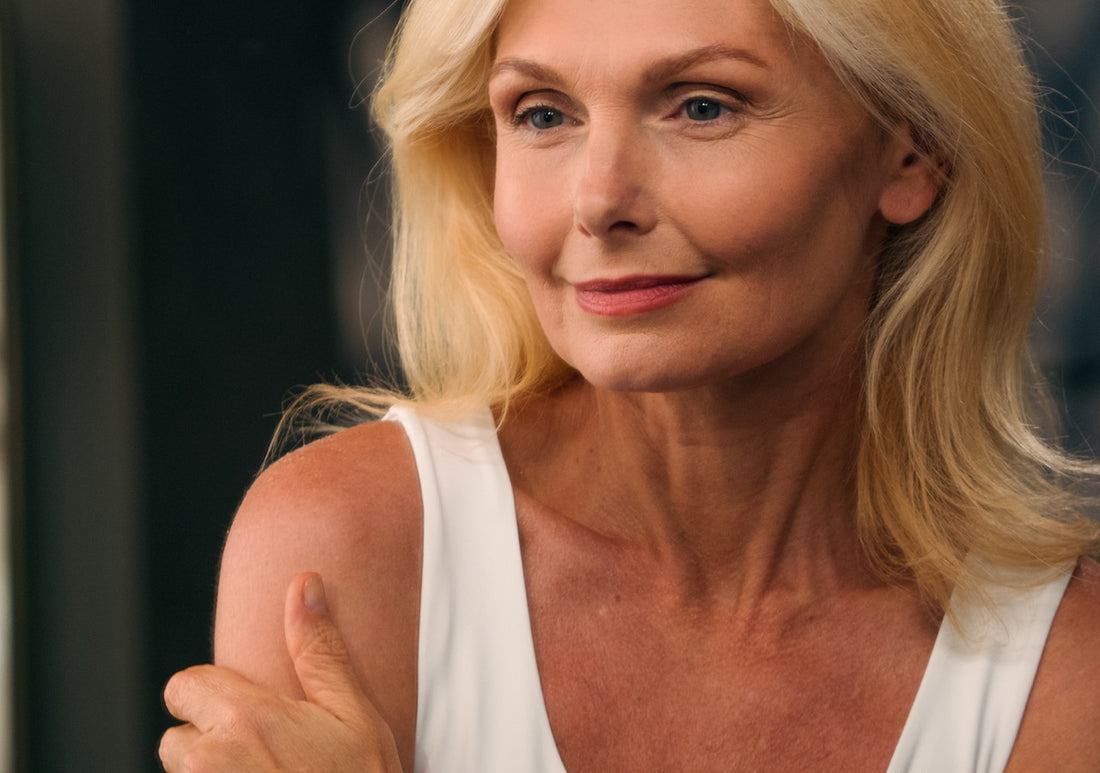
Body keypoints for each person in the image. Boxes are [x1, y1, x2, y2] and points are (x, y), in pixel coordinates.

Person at [158, 0, 1100, 769]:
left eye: (702, 106)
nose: (599, 199)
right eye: (543, 115)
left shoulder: (1067, 670)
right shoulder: (353, 550)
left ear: (912, 151)